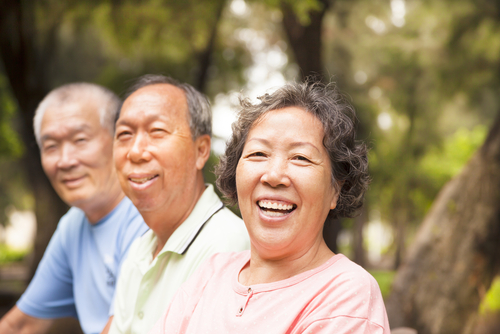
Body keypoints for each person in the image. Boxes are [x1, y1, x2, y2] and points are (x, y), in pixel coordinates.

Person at [150, 80, 391, 334]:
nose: (273, 175)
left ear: (336, 189)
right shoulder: (212, 273)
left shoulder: (347, 295)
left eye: (301, 157)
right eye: (258, 154)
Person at [105, 75, 250, 334]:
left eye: (157, 131)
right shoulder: (140, 251)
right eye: (124, 134)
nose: (135, 152)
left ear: (201, 150)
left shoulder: (230, 249)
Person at [0, 83, 148, 334]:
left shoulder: (147, 216)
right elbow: (21, 325)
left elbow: (121, 329)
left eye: (80, 140)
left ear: (120, 139)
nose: (65, 160)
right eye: (51, 146)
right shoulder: (73, 225)